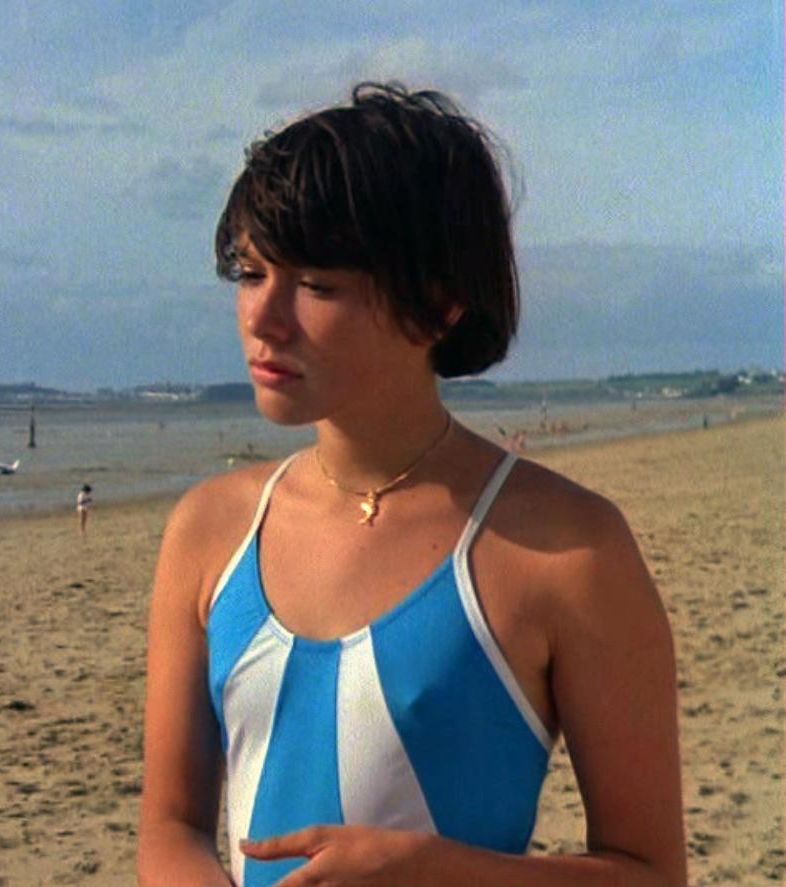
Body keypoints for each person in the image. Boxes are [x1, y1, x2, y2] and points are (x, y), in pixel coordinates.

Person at [137, 83, 685, 887]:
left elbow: (650, 872)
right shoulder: (211, 529)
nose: (262, 316)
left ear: (438, 300)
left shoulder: (568, 548)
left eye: (316, 285)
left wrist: (438, 872)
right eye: (250, 273)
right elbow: (171, 826)